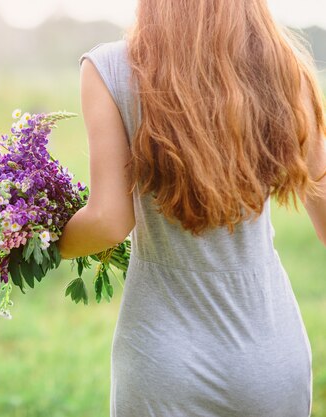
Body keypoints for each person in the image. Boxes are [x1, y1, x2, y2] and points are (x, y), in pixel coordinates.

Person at [56, 0, 326, 416]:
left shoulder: (110, 67)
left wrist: (34, 239)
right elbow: (321, 184)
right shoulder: (280, 66)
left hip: (161, 355)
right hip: (271, 352)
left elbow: (109, 222)